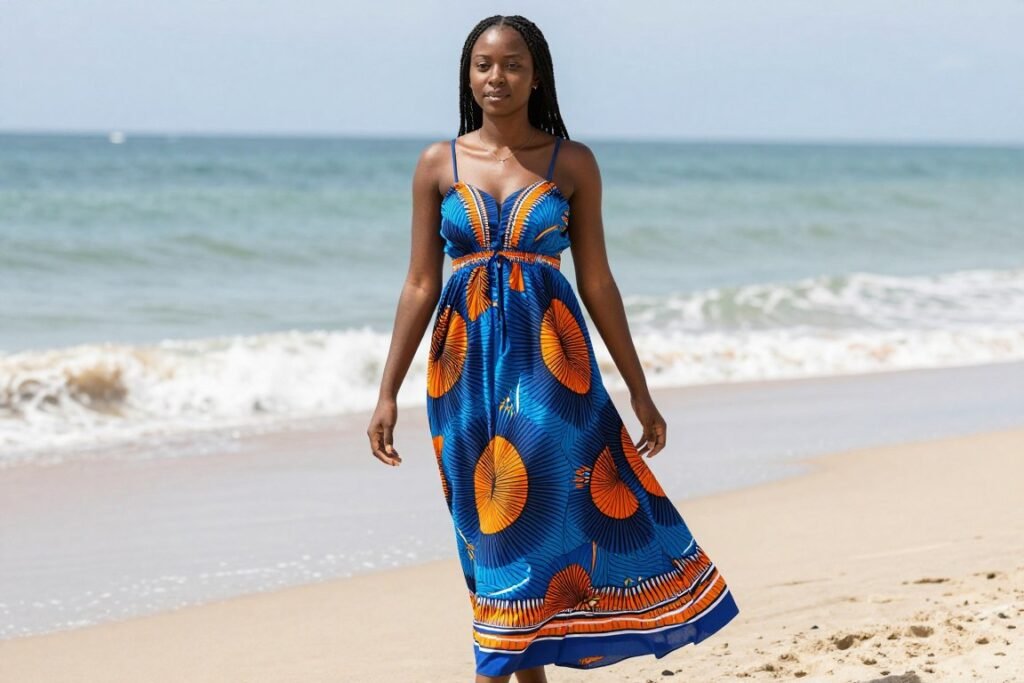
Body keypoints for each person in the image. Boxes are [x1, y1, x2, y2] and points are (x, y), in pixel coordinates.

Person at [367, 14, 739, 683]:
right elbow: (421, 281)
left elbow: (596, 279)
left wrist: (638, 386)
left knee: (522, 510)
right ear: (467, 73)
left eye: (512, 64)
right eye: (483, 64)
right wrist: (386, 390)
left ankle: (490, 672)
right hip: (461, 373)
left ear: (535, 74)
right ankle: (525, 665)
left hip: (549, 367)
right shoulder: (436, 164)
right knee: (484, 529)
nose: (496, 77)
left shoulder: (573, 163)